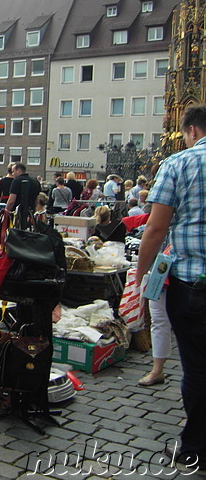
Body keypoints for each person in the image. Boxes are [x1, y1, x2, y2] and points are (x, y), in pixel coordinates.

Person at [136, 104, 206, 472]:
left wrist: (140, 273)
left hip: (193, 280)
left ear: (191, 130)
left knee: (196, 366)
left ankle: (196, 445)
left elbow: (156, 227)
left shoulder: (179, 163)